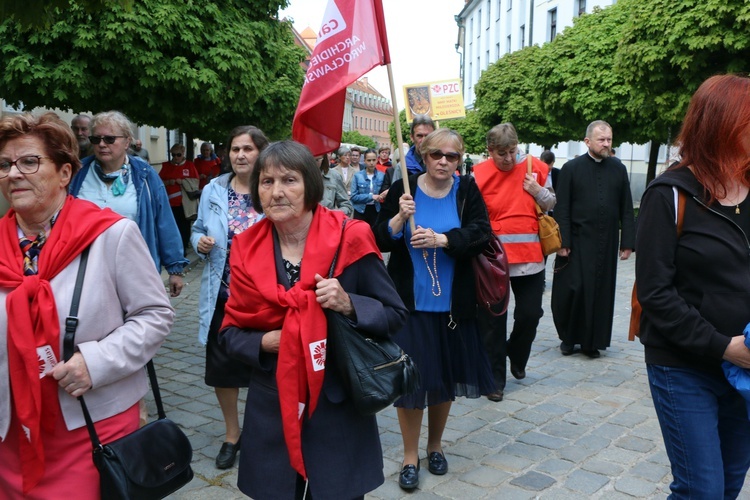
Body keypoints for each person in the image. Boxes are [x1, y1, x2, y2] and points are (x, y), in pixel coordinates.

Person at [218, 140, 407, 499]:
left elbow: (395, 315)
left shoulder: (350, 236)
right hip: (272, 405)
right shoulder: (245, 247)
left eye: (289, 180)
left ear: (310, 185)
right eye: (267, 182)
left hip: (337, 405)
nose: (276, 192)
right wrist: (266, 342)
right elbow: (229, 333)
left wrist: (349, 303)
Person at [0, 112, 174, 497]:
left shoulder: (111, 235)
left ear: (64, 173)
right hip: (11, 430)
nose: (13, 173)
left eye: (29, 161)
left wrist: (95, 362)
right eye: (4, 164)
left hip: (92, 428)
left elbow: (156, 315)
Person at [635, 74, 750, 499]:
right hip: (683, 366)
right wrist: (724, 345)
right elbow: (656, 294)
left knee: (730, 485)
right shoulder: (669, 195)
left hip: (746, 368)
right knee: (701, 490)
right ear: (722, 125)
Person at [374, 128, 495, 491]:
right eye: (436, 155)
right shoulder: (404, 189)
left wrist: (444, 240)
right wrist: (398, 219)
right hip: (410, 305)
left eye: (452, 156)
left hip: (453, 306)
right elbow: (375, 237)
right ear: (423, 155)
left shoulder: (466, 190)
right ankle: (410, 456)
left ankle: (435, 446)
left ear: (460, 160)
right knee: (411, 383)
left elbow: (482, 233)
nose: (444, 161)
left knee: (443, 379)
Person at [191, 126, 269, 470]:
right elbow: (197, 228)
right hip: (223, 294)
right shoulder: (214, 189)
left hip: (265, 296)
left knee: (263, 366)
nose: (240, 155)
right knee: (222, 369)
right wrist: (199, 243)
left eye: (248, 149)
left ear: (260, 153)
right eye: (235, 148)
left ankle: (263, 432)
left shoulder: (272, 187)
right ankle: (232, 434)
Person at [473, 123, 556, 402]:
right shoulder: (479, 173)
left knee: (530, 314)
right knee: (493, 321)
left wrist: (537, 191)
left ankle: (517, 354)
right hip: (492, 259)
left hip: (530, 258)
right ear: (490, 151)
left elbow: (552, 204)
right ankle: (495, 380)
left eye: (512, 151)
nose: (509, 158)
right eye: (502, 153)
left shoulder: (536, 168)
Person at [69, 110, 188, 297]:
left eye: (109, 139)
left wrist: (174, 269)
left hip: (133, 270)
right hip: (84, 269)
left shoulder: (145, 175)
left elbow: (164, 222)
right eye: (96, 139)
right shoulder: (78, 173)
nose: (101, 144)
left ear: (126, 141)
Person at [551, 120, 635, 358]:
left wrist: (627, 242)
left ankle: (592, 342)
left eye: (609, 139)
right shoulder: (571, 168)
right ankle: (568, 338)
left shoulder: (618, 168)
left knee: (600, 292)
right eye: (602, 140)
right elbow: (562, 208)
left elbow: (626, 207)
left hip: (605, 244)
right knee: (572, 290)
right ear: (587, 141)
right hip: (576, 243)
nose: (606, 144)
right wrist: (563, 242)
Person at [160, 144, 199, 253]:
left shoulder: (190, 165)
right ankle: (173, 247)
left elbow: (195, 182)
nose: (176, 157)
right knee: (172, 225)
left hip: (184, 202)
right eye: (173, 155)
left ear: (183, 153)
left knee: (184, 226)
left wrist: (183, 182)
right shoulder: (166, 166)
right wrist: (168, 182)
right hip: (170, 202)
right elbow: (158, 182)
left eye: (178, 155)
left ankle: (183, 246)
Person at [350, 148, 385, 226]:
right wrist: (371, 197)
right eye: (369, 160)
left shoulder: (382, 176)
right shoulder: (357, 176)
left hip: (376, 209)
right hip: (360, 210)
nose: (371, 163)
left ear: (377, 160)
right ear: (364, 161)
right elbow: (353, 197)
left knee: (374, 234)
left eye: (373, 160)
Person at [317, 152, 353, 217]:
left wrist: (332, 214)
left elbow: (346, 205)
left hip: (326, 222)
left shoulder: (334, 176)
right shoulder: (298, 176)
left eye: (317, 160)